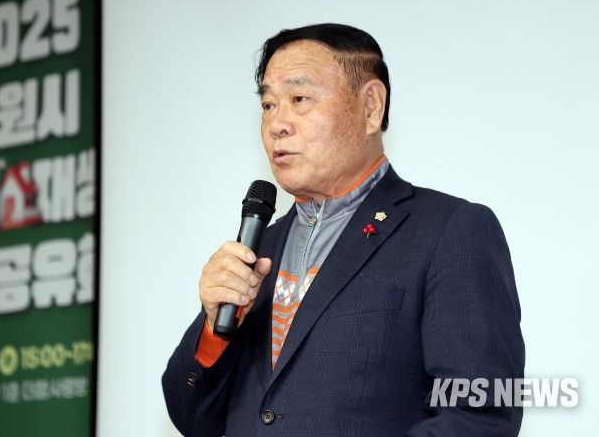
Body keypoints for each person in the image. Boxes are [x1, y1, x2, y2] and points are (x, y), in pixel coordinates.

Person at [162, 23, 524, 436]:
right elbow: (194, 419)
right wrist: (215, 329)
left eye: (299, 99)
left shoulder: (447, 231)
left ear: (371, 107)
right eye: (268, 105)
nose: (277, 123)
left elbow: (480, 415)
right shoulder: (260, 251)